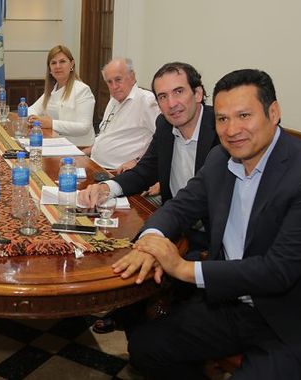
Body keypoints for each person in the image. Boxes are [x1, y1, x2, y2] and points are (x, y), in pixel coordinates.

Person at [116, 69, 301, 379]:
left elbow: (278, 271)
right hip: (235, 304)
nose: (232, 129)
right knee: (146, 347)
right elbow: (180, 207)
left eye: (244, 115)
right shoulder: (221, 159)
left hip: (298, 322)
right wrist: (150, 241)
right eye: (222, 119)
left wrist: (181, 268)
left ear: (273, 113)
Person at [78, 61, 220, 334]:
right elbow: (145, 171)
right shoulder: (165, 126)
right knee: (123, 240)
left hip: (209, 230)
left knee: (145, 252)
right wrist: (108, 188)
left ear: (199, 93)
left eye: (179, 92)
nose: (171, 104)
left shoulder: (220, 129)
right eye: (163, 97)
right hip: (173, 218)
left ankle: (143, 315)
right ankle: (128, 311)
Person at [83, 57, 160, 172]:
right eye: (109, 82)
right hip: (96, 165)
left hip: (120, 173)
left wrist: (137, 161)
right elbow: (109, 135)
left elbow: (163, 138)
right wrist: (84, 152)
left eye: (118, 79)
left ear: (132, 77)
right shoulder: (114, 100)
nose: (114, 87)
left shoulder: (146, 101)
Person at [27, 45, 95, 147]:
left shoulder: (82, 90)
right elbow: (31, 109)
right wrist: (34, 119)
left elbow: (84, 127)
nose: (58, 66)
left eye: (62, 61)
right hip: (55, 143)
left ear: (71, 64)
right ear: (49, 69)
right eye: (53, 63)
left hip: (79, 147)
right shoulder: (51, 91)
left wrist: (52, 123)